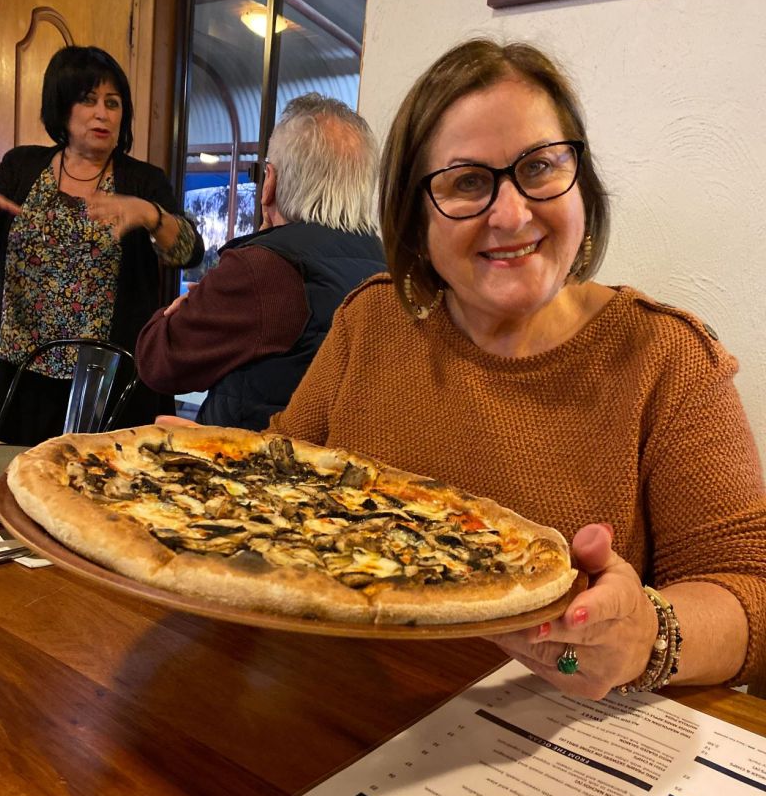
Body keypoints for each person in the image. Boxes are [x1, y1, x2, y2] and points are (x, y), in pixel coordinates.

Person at [261, 38, 766, 700]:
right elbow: (278, 476)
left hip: (557, 736)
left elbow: (750, 590)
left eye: (539, 167)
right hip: (342, 700)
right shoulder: (371, 321)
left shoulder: (667, 360)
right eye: (468, 182)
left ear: (581, 183)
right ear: (414, 216)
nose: (511, 213)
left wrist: (648, 635)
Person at [136, 93, 385, 431]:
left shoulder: (264, 268)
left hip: (251, 458)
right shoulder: (384, 262)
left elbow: (158, 362)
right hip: (338, 456)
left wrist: (188, 308)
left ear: (270, 181)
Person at [0, 45, 204, 444]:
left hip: (107, 379)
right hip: (20, 369)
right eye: (88, 100)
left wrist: (151, 215)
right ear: (62, 107)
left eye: (112, 103)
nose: (102, 114)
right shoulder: (21, 166)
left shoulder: (143, 180)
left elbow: (189, 252)